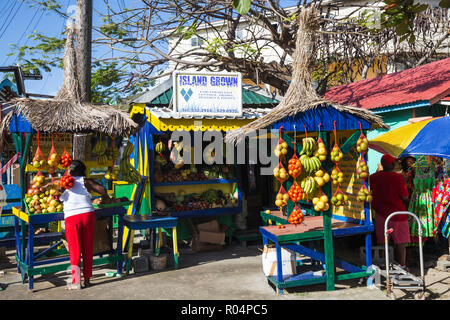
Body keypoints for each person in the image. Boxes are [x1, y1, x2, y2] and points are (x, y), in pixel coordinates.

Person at [58, 160, 111, 289]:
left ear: (73, 170)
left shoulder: (65, 182)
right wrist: (106, 198)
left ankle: (76, 281)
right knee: (87, 249)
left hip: (72, 217)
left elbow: (56, 195)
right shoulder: (86, 181)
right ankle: (87, 280)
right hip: (87, 215)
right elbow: (102, 189)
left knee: (75, 251)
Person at [369, 154, 410, 269]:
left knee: (382, 241)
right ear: (392, 164)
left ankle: (382, 264)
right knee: (400, 242)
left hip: (381, 214)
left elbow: (367, 190)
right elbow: (405, 197)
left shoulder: (373, 177)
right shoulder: (398, 178)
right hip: (398, 215)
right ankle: (402, 265)